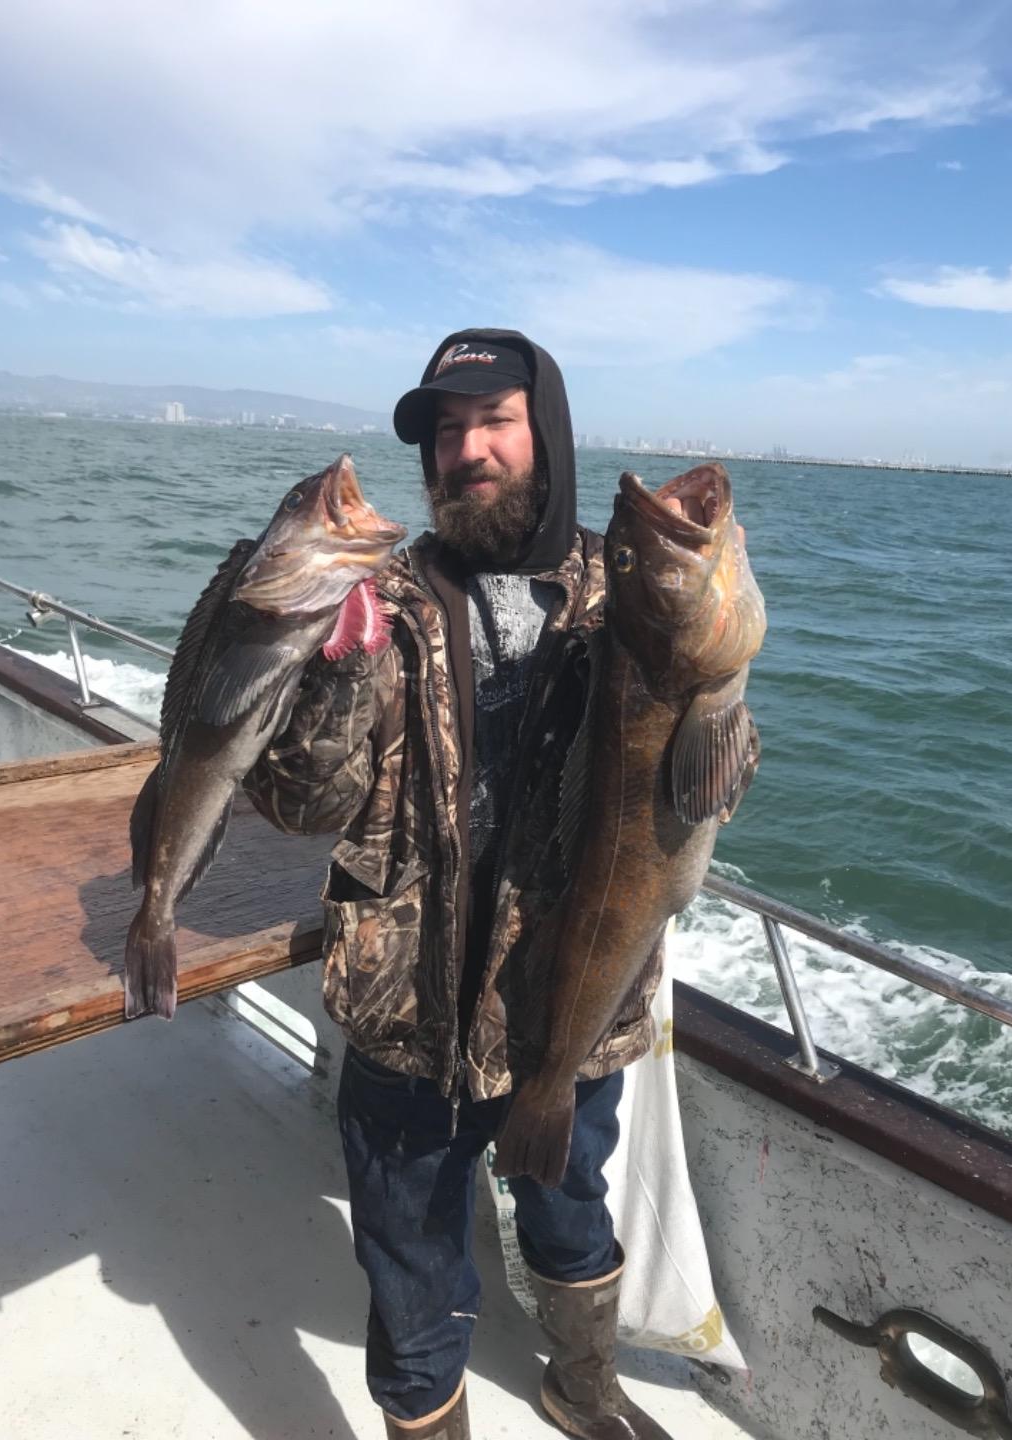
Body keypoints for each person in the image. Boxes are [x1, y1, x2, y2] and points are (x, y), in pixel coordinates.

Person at [244, 329, 673, 1440]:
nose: (466, 451)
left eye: (493, 422)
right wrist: (332, 672)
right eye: (446, 432)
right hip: (408, 1027)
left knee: (574, 1215)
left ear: (548, 434)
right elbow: (303, 807)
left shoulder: (630, 592)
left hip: (572, 1012)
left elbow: (713, 786)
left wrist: (709, 688)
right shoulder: (372, 593)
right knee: (411, 1278)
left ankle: (583, 1384)